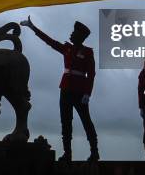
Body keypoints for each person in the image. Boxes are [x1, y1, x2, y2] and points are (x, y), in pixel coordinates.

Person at [20, 16, 99, 162]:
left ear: (80, 36)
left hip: (80, 92)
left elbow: (91, 74)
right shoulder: (67, 48)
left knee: (86, 121)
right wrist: (33, 28)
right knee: (65, 122)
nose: (71, 34)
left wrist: (88, 93)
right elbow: (49, 41)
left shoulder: (88, 52)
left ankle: (95, 152)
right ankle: (67, 154)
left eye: (74, 32)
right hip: (65, 89)